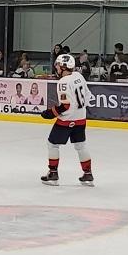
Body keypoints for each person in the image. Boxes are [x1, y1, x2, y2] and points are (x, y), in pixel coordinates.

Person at [40, 54, 95, 187]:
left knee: (52, 144)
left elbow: (65, 106)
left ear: (63, 67)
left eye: (58, 65)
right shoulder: (79, 76)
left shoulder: (63, 82)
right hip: (81, 119)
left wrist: (50, 113)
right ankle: (88, 174)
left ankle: (53, 173)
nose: (57, 68)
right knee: (81, 146)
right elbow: (88, 97)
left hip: (66, 120)